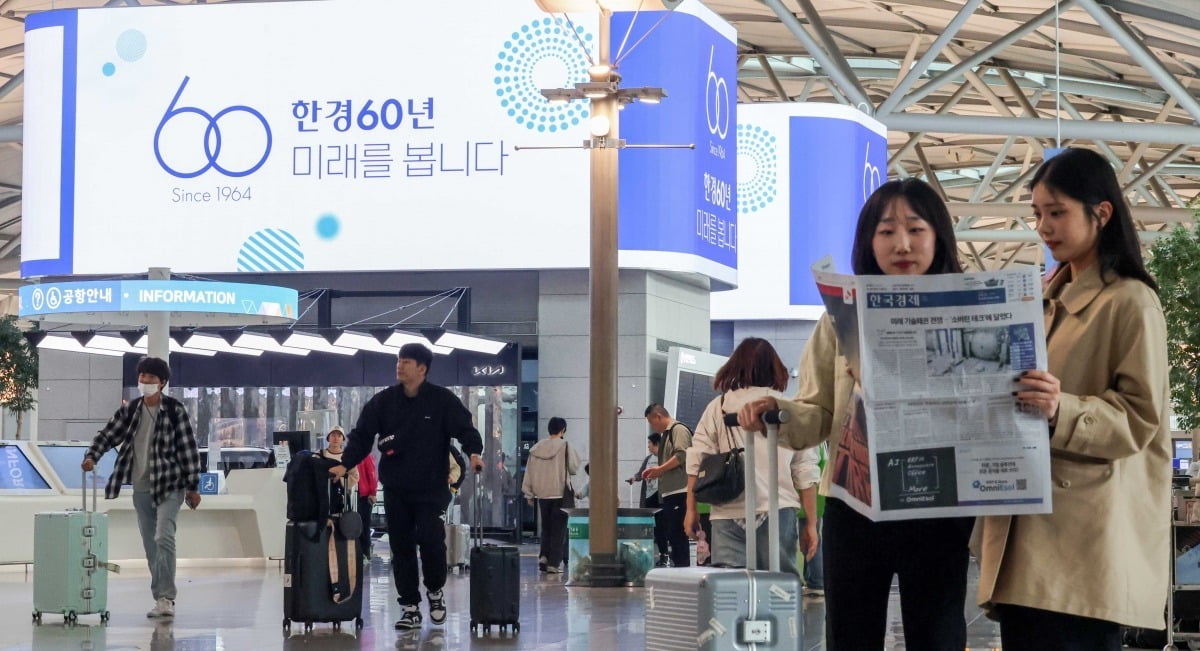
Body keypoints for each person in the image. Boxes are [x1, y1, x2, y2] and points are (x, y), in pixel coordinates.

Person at [738, 178, 973, 650]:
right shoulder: (839, 319)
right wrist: (778, 412)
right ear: (868, 242)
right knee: (849, 630)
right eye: (886, 231)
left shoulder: (967, 307)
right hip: (854, 500)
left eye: (915, 228)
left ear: (939, 237)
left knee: (938, 632)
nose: (901, 244)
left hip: (938, 500)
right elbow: (818, 411)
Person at [978, 147, 1169, 650]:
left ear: (1101, 213)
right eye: (1037, 213)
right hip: (1027, 532)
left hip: (1084, 544)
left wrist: (1062, 409)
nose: (1044, 226)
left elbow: (1141, 417)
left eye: (1057, 212)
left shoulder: (1131, 302)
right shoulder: (1037, 300)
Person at [332, 343, 485, 631]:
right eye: (398, 360)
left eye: (406, 362)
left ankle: (435, 592)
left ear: (422, 369)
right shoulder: (384, 402)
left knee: (430, 539)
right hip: (396, 488)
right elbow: (362, 436)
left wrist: (474, 453)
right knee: (400, 547)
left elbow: (466, 429)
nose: (399, 366)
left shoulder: (441, 401)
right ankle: (410, 606)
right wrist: (345, 463)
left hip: (431, 488)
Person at [683, 337, 820, 575]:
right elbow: (805, 470)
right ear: (776, 368)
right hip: (779, 510)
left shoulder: (719, 407)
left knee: (732, 593)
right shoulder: (788, 408)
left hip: (727, 511)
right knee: (781, 589)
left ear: (734, 366)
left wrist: (691, 510)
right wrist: (810, 522)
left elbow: (697, 461)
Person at [81, 356, 202, 619]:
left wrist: (193, 487)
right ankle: (160, 596)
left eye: (151, 378)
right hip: (141, 486)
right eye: (142, 376)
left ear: (162, 383)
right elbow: (108, 434)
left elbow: (188, 448)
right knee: (150, 545)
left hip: (170, 484)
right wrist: (92, 456)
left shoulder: (174, 410)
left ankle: (167, 597)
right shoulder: (130, 410)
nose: (145, 381)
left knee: (163, 537)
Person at [521, 416, 582, 574]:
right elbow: (574, 468)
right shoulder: (565, 446)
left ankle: (544, 557)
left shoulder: (536, 449)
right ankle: (553, 563)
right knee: (559, 530)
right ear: (562, 430)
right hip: (559, 494)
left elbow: (529, 472)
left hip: (542, 495)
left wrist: (529, 494)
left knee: (546, 528)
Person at [642, 404, 693, 567]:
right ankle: (679, 568)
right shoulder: (667, 434)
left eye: (652, 422)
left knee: (677, 534)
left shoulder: (678, 430)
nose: (653, 426)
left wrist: (660, 469)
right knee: (672, 533)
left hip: (680, 490)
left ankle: (682, 569)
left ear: (658, 416)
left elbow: (682, 454)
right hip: (670, 492)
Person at [627, 433, 669, 566]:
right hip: (649, 496)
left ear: (656, 443)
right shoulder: (648, 459)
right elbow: (641, 473)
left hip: (661, 496)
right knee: (652, 527)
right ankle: (649, 554)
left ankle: (665, 555)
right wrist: (634, 478)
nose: (648, 446)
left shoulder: (665, 458)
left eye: (650, 443)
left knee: (662, 527)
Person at [318, 426, 358, 514]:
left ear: (342, 439)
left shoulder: (348, 458)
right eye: (333, 435)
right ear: (328, 438)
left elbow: (355, 476)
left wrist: (341, 480)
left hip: (340, 499)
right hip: (321, 497)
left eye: (339, 436)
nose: (336, 438)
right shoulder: (320, 454)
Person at [354, 441, 378, 560]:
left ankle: (365, 553)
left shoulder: (366, 456)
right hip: (354, 495)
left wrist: (373, 493)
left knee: (364, 524)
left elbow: (372, 475)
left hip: (364, 496)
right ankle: (359, 552)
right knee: (356, 525)